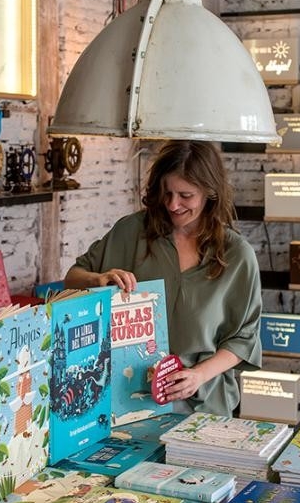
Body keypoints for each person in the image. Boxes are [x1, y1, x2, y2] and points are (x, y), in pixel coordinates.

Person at [63, 140, 262, 416]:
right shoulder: (132, 232)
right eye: (166, 193)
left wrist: (199, 375)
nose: (173, 204)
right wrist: (99, 280)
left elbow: (244, 338)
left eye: (185, 195)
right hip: (127, 401)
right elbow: (72, 278)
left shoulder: (237, 255)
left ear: (210, 193)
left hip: (205, 405)